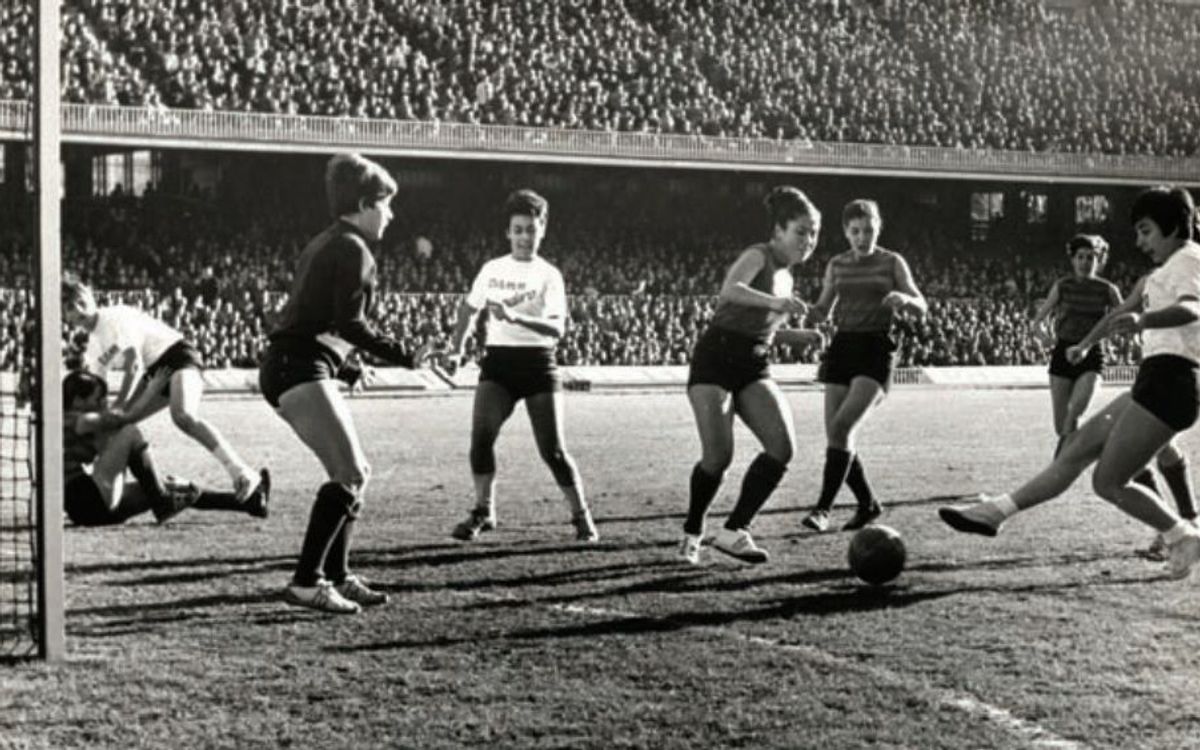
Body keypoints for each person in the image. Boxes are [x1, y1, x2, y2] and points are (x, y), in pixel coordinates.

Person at [939, 186, 1200, 580]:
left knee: (1108, 482)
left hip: (1174, 381)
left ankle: (1183, 534)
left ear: (1172, 225)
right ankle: (996, 512)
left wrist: (1144, 322)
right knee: (1076, 446)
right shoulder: (1158, 274)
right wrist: (1084, 345)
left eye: (1146, 230)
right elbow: (1118, 316)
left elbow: (1193, 307)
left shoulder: (1189, 258)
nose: (1139, 241)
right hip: (1155, 378)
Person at [259, 153, 432, 614]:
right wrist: (406, 354)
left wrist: (345, 367)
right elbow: (349, 323)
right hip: (298, 367)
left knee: (356, 474)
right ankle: (306, 582)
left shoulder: (327, 242)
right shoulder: (354, 248)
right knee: (350, 473)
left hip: (295, 363)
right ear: (363, 203)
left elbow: (312, 317)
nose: (391, 214)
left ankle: (337, 575)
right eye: (386, 204)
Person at [677, 186, 825, 565]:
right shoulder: (758, 255)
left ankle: (734, 531)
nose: (809, 241)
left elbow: (762, 329)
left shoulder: (789, 277)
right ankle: (693, 532)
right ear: (778, 231)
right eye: (801, 231)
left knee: (782, 447)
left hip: (753, 362)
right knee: (718, 457)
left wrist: (796, 336)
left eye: (814, 233)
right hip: (716, 359)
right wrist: (775, 302)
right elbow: (730, 291)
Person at [441, 189, 598, 543]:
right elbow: (468, 309)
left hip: (538, 364)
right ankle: (483, 511)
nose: (525, 237)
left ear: (542, 230)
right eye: (518, 229)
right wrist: (457, 349)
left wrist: (516, 317)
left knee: (553, 451)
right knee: (481, 439)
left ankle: (581, 515)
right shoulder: (492, 269)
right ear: (508, 233)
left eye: (531, 229)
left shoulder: (548, 275)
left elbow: (557, 329)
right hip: (498, 362)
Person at [62, 276, 265, 502]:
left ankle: (241, 472)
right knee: (120, 425)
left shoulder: (114, 317)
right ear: (65, 316)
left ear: (91, 296)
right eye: (70, 307)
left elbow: (134, 365)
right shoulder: (93, 346)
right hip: (154, 370)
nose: (79, 309)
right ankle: (143, 494)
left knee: (182, 415)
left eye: (81, 301)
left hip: (178, 355)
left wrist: (119, 405)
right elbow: (96, 391)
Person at [801, 199, 927, 532]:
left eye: (869, 229)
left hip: (875, 349)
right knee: (837, 435)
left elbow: (921, 305)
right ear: (846, 232)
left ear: (878, 228)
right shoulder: (837, 265)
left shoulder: (891, 262)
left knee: (841, 429)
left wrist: (905, 300)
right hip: (843, 346)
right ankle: (868, 504)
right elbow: (823, 310)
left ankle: (822, 509)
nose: (863, 237)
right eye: (856, 231)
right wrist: (798, 309)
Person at [62, 370, 269, 527]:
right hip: (86, 498)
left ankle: (250, 502)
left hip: (89, 507)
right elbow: (125, 419)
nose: (102, 403)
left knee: (176, 486)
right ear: (78, 400)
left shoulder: (77, 422)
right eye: (98, 399)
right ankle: (161, 502)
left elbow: (110, 441)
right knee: (130, 432)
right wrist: (153, 390)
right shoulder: (79, 420)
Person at [1030, 234, 1122, 456]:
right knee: (1061, 425)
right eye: (1080, 257)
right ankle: (1079, 452)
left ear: (1098, 261)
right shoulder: (1063, 286)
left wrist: (1094, 341)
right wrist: (1041, 332)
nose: (1085, 262)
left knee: (1074, 414)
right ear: (1073, 260)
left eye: (1090, 258)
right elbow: (1039, 319)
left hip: (1091, 355)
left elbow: (1122, 319)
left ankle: (1060, 465)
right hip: (1062, 352)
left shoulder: (1108, 290)